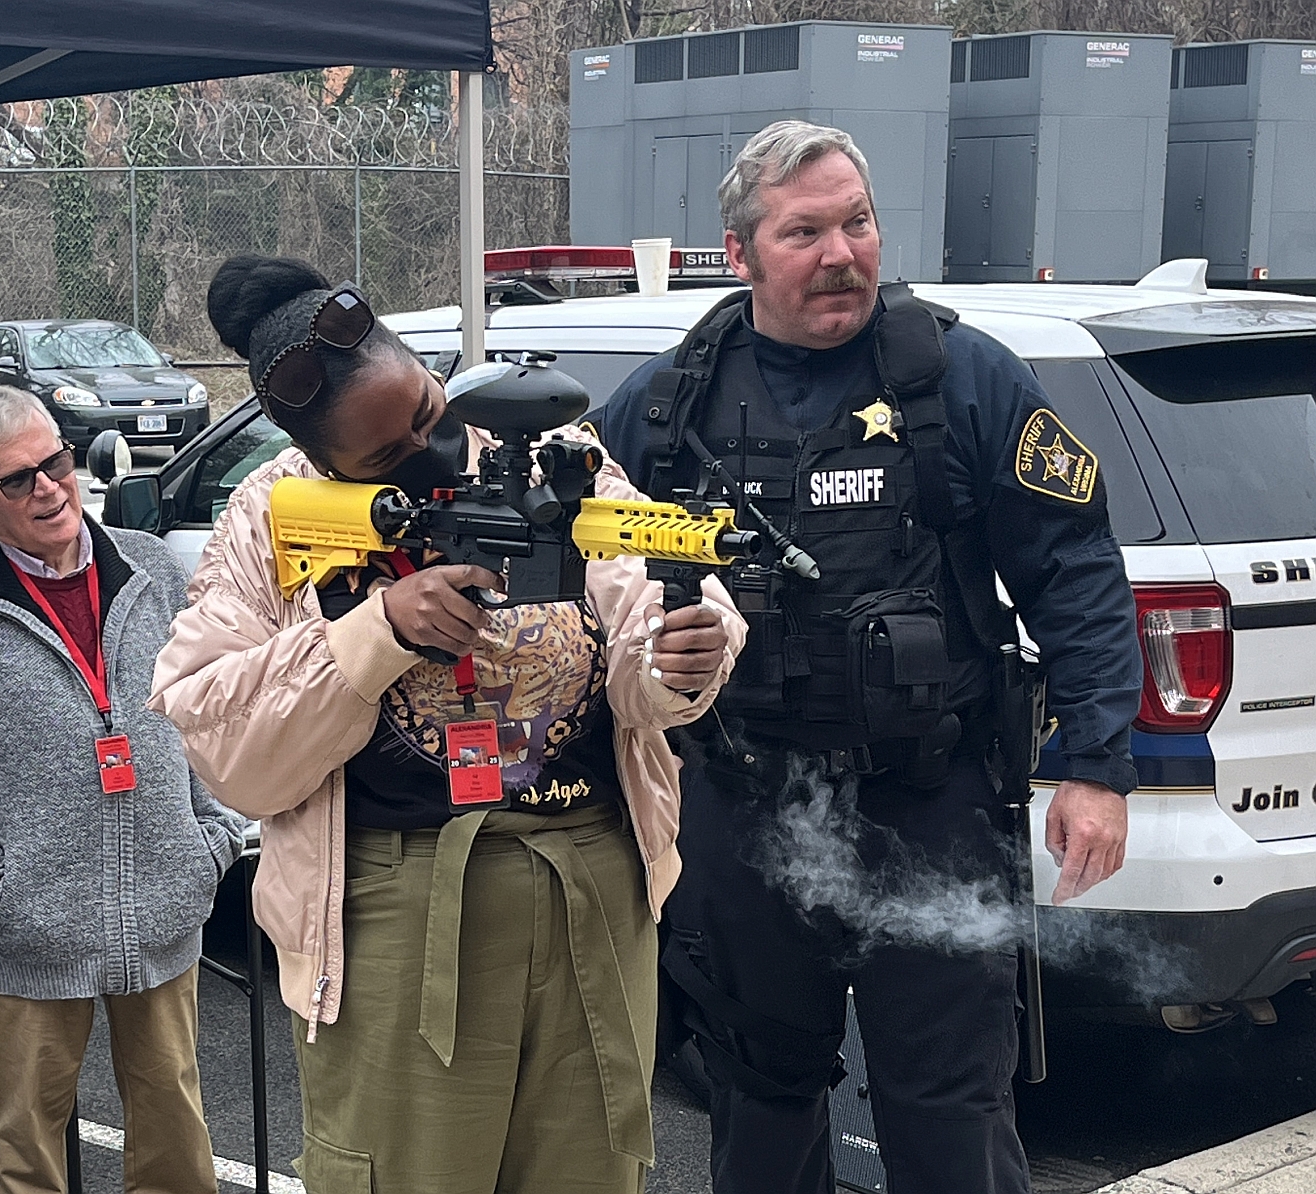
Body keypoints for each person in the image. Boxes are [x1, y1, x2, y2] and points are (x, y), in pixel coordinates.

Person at [599, 121, 1143, 1194]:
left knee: (948, 1116)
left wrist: (1096, 764)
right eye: (804, 231)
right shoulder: (669, 404)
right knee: (758, 1104)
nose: (841, 251)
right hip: (743, 806)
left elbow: (1075, 572)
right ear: (740, 252)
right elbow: (585, 580)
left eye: (857, 222)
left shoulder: (964, 381)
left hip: (929, 805)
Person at [149, 255, 747, 1194]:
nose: (434, 449)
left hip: (593, 880)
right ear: (323, 461)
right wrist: (378, 632)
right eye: (388, 456)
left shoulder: (559, 462)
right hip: (396, 908)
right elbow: (224, 747)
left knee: (592, 1174)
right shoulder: (269, 516)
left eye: (432, 411)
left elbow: (639, 636)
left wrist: (684, 660)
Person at [0, 386, 246, 1194]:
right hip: (28, 927)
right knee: (29, 1143)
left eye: (55, 463)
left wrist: (210, 839)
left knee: (175, 1132)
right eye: (17, 480)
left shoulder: (151, 566)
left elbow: (210, 708)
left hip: (162, 904)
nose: (48, 488)